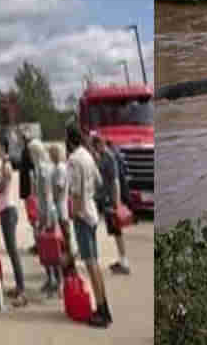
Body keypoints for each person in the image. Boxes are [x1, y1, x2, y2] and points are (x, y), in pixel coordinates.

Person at [67, 125, 111, 327]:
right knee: (95, 265)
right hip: (92, 213)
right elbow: (100, 182)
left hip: (83, 217)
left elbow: (75, 192)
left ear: (69, 141)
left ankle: (101, 313)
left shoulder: (74, 160)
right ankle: (104, 308)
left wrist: (73, 215)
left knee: (91, 265)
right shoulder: (88, 156)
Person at [0, 138, 27, 306]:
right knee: (10, 250)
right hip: (5, 210)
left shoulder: (6, 166)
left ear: (2, 148)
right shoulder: (4, 165)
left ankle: (22, 289)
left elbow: (1, 188)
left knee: (13, 251)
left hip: (8, 211)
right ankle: (19, 286)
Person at [92, 134, 130, 275]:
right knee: (98, 226)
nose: (94, 149)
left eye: (95, 146)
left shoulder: (109, 157)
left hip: (109, 200)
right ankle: (121, 260)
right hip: (101, 198)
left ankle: (124, 262)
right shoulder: (101, 156)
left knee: (116, 230)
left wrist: (117, 203)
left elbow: (115, 181)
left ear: (99, 144)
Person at [29, 139, 61, 294]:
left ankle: (52, 279)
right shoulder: (47, 166)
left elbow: (47, 194)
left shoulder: (41, 169)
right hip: (49, 211)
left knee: (46, 247)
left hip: (46, 212)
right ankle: (55, 280)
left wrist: (45, 219)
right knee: (52, 247)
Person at [51, 143, 73, 261]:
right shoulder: (60, 166)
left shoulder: (60, 168)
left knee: (65, 231)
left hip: (60, 204)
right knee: (64, 231)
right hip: (61, 203)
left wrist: (52, 197)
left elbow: (59, 186)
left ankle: (69, 255)